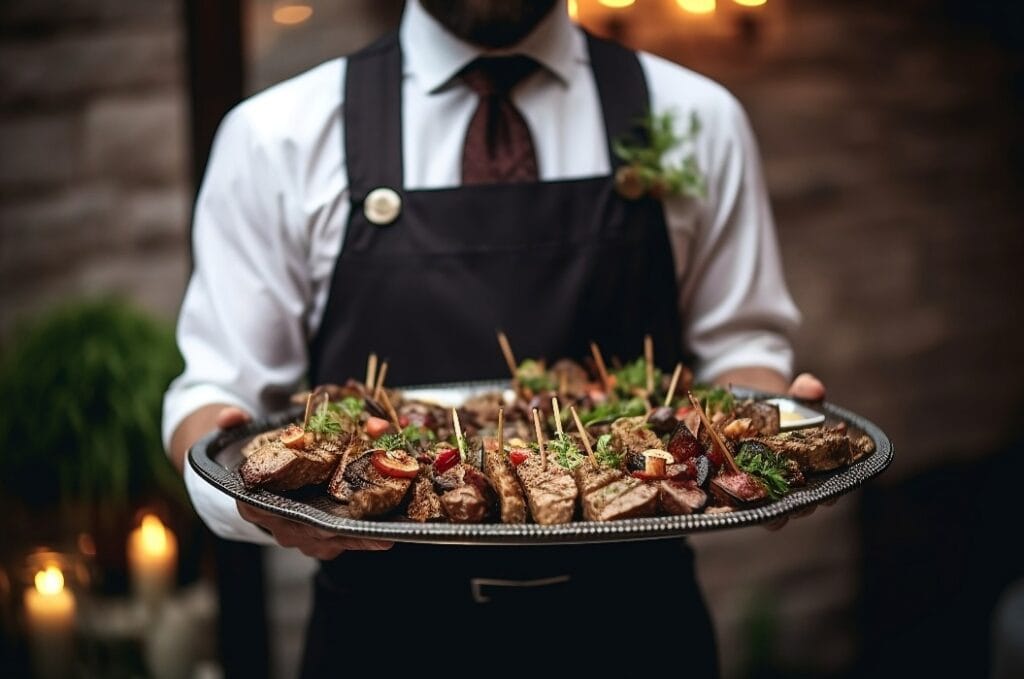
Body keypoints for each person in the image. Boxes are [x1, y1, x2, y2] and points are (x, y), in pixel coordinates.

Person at [164, 1, 825, 675]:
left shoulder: (695, 118)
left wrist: (764, 440)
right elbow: (213, 392)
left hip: (639, 632)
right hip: (383, 641)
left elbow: (744, 344)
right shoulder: (276, 135)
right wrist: (249, 490)